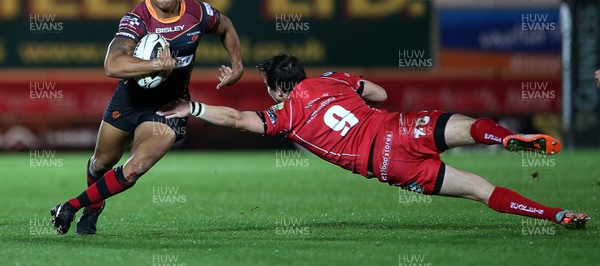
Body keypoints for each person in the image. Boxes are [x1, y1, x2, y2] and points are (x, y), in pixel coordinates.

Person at [157, 53, 590, 229]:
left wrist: (191, 109)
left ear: (273, 88)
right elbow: (380, 94)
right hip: (401, 127)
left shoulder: (283, 116)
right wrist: (350, 89)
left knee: (479, 189)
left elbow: (234, 118)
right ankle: (509, 137)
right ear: (303, 75)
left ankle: (558, 215)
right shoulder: (333, 79)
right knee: (472, 126)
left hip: (390, 166)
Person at [50, 0, 243, 235]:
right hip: (129, 100)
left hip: (169, 107)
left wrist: (237, 65)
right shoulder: (137, 19)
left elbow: (225, 25)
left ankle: (72, 206)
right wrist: (156, 65)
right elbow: (112, 64)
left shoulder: (197, 13)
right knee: (100, 163)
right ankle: (94, 205)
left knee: (135, 167)